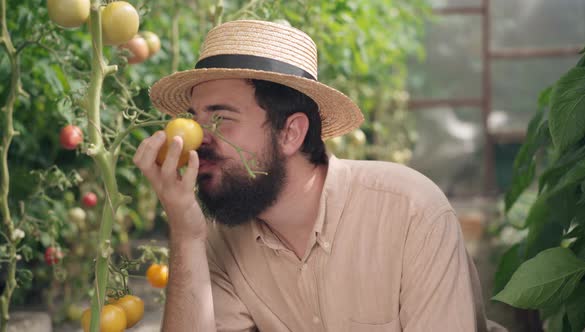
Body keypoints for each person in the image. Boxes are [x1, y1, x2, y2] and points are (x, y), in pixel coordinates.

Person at [134, 20, 506, 332]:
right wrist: (186, 234)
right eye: (194, 120)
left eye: (221, 119)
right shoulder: (219, 240)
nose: (196, 140)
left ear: (290, 133)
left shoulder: (411, 213)